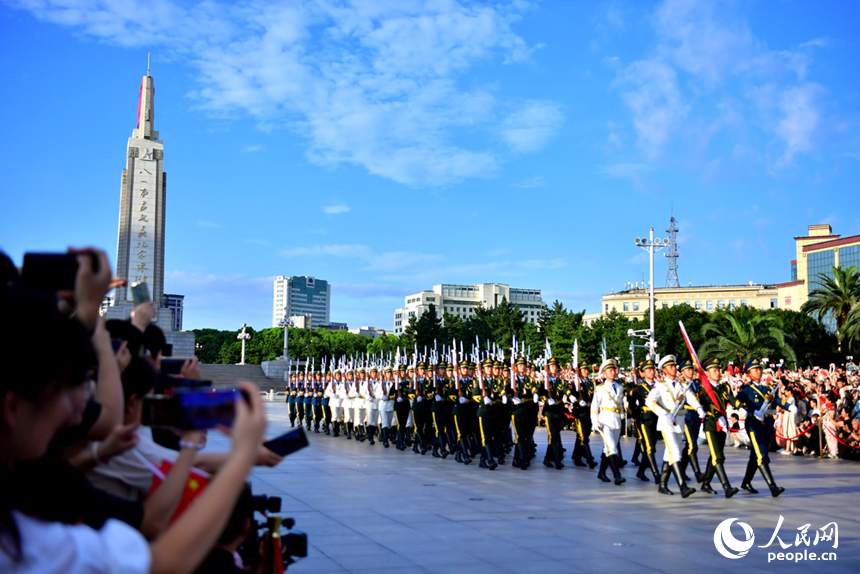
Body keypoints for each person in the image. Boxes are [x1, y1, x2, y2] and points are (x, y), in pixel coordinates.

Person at [734, 359, 797, 496]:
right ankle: (773, 487)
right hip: (754, 426)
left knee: (754, 457)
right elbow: (739, 402)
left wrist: (788, 406)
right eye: (755, 369)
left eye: (759, 369)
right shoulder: (746, 389)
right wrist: (751, 412)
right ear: (749, 373)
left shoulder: (767, 388)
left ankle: (746, 482)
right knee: (762, 456)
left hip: (767, 425)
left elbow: (777, 400)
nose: (758, 371)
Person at [646, 355, 703, 498]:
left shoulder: (682, 385)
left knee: (668, 455)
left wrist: (698, 408)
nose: (674, 368)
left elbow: (691, 397)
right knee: (676, 453)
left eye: (674, 365)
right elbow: (649, 401)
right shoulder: (660, 385)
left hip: (679, 422)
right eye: (670, 366)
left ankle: (662, 485)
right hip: (666, 424)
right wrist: (663, 414)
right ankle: (683, 486)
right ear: (664, 369)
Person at [697, 358, 741, 498]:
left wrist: (741, 406)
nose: (718, 372)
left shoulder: (724, 387)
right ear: (707, 373)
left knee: (714, 456)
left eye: (718, 370)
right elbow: (707, 404)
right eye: (714, 370)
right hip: (711, 424)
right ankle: (726, 486)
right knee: (718, 457)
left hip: (723, 425)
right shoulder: (703, 388)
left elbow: (731, 399)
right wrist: (718, 416)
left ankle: (706, 483)